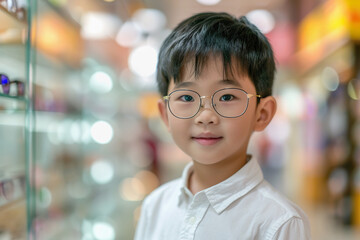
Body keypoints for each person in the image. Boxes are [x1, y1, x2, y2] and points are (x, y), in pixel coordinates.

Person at [134, 12, 311, 240]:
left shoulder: (279, 222)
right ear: (165, 114)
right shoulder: (155, 206)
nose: (205, 116)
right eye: (187, 98)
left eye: (227, 97)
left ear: (262, 114)